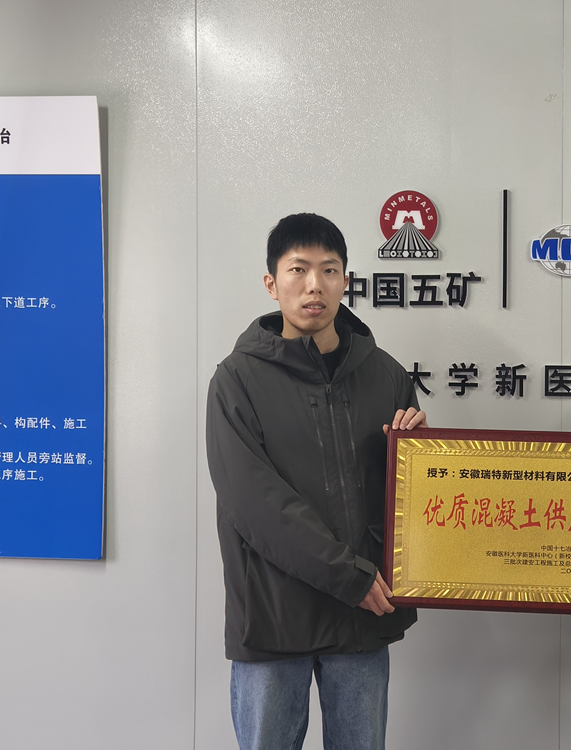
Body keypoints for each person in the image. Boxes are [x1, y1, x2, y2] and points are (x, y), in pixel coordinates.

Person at [206, 213, 426, 750]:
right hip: (275, 617)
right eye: (298, 269)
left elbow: (412, 501)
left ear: (345, 280)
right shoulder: (237, 379)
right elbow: (254, 503)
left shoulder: (387, 375)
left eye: (329, 270)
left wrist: (420, 455)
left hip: (361, 620)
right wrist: (350, 577)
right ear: (271, 282)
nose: (314, 285)